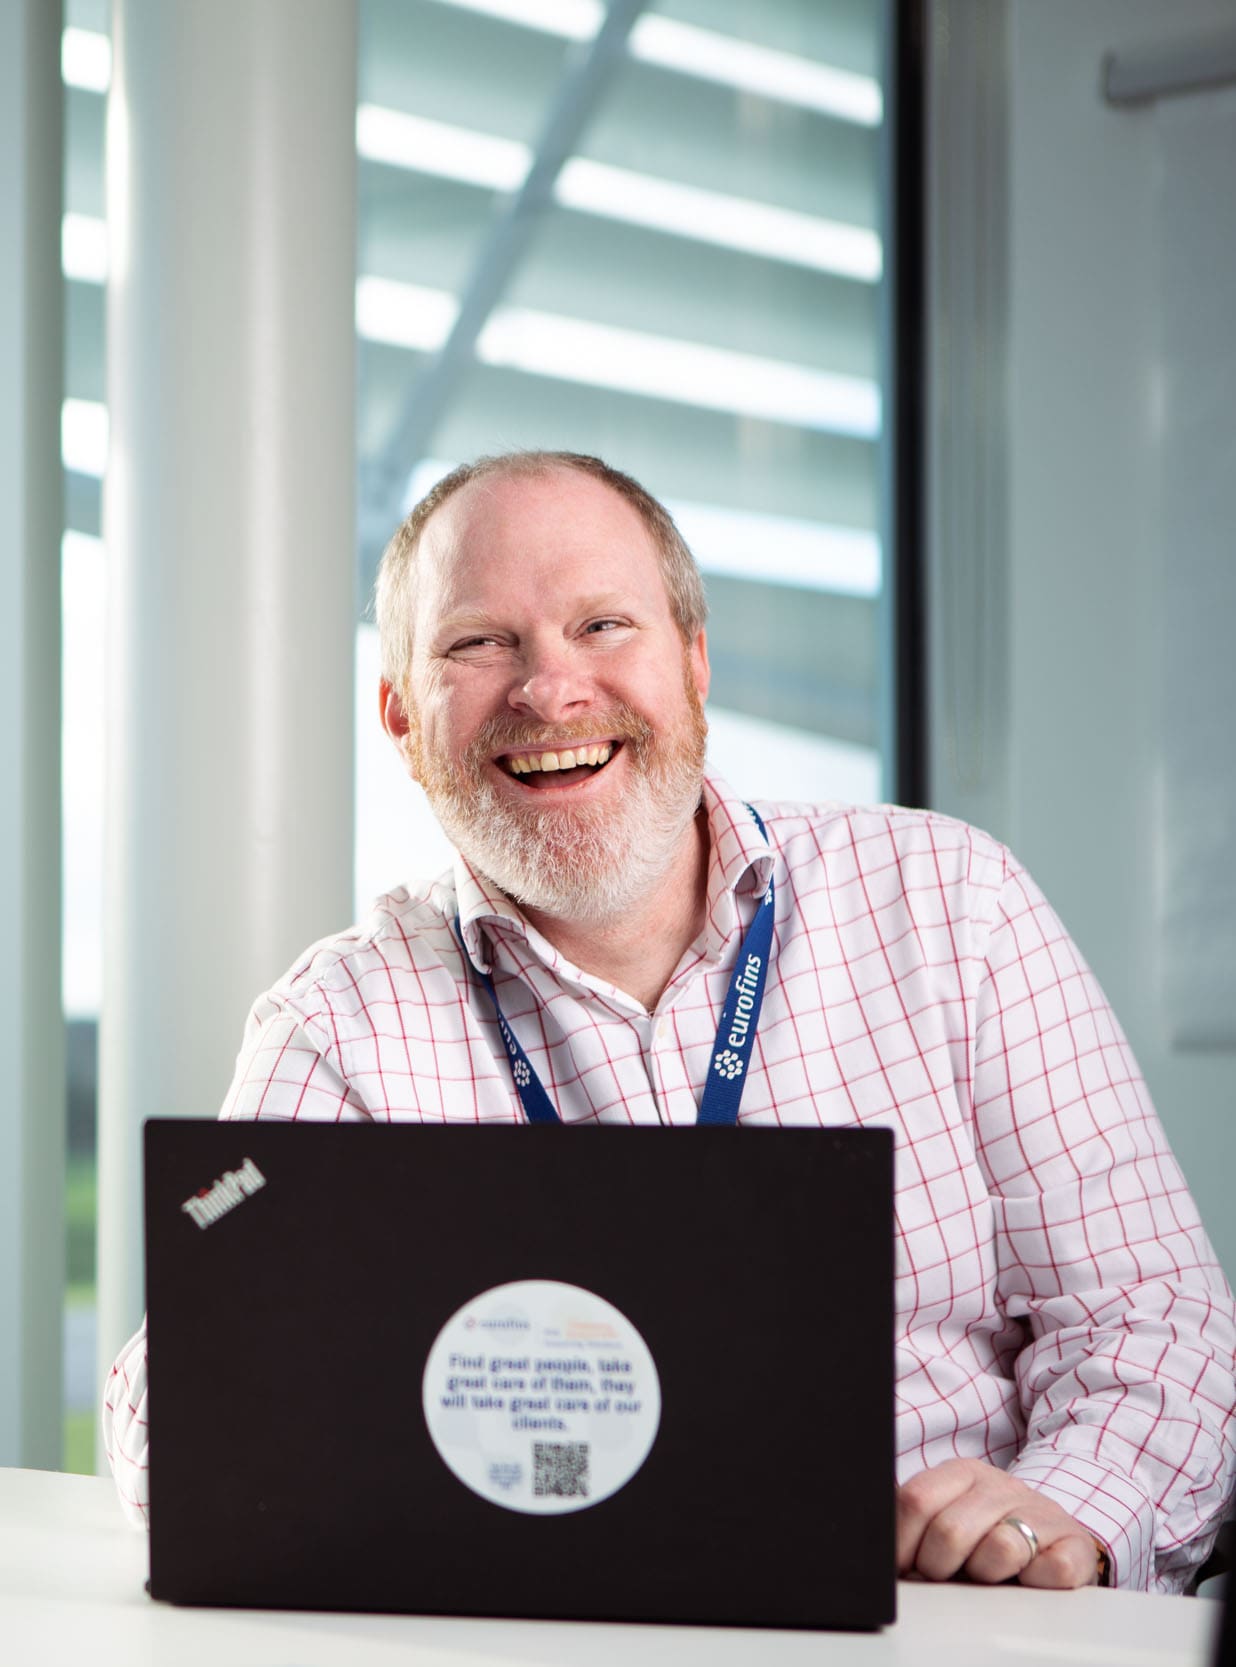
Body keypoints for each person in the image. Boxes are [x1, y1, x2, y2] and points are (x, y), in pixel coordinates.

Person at [100, 451, 1235, 1594]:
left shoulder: (949, 901)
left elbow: (1157, 1320)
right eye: (475, 642)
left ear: (693, 666)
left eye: (601, 624)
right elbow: (183, 1421)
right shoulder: (342, 1020)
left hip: (941, 1614)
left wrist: (1063, 1514)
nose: (548, 689)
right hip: (532, 1619)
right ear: (400, 715)